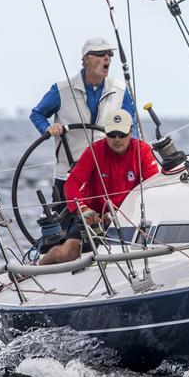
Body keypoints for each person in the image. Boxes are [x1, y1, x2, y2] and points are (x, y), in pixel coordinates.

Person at [39, 109, 158, 265]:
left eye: (121, 134)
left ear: (131, 132)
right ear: (106, 133)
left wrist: (120, 212)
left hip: (129, 214)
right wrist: (84, 210)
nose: (117, 139)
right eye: (112, 134)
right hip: (92, 215)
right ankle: (35, 269)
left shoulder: (142, 150)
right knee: (67, 253)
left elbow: (152, 187)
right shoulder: (94, 151)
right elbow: (72, 184)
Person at [30, 37, 137, 205]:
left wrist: (133, 155)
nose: (107, 58)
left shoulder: (120, 90)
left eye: (109, 54)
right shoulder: (61, 89)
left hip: (105, 175)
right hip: (67, 174)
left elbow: (131, 126)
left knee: (108, 225)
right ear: (86, 59)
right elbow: (37, 114)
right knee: (64, 228)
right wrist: (48, 128)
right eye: (101, 54)